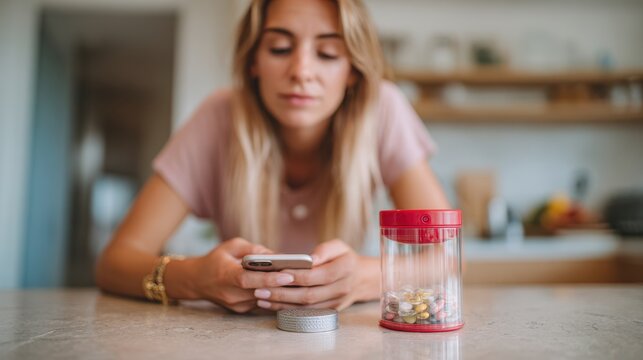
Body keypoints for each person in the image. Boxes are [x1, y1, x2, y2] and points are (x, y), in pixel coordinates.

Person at [95, 0, 450, 313]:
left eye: (327, 53)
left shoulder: (383, 109)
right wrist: (195, 278)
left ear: (353, 72)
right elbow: (115, 262)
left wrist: (366, 278)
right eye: (280, 48)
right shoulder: (217, 117)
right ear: (253, 62)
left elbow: (447, 257)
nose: (301, 71)